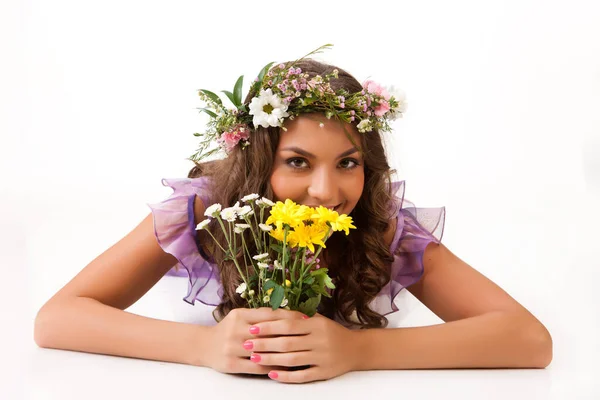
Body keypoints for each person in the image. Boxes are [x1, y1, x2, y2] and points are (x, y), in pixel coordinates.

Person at [34, 45, 552, 384]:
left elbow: (528, 339)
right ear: (260, 163)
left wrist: (358, 351)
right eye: (297, 162)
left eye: (348, 163)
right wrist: (203, 345)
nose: (326, 192)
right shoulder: (204, 209)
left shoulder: (383, 225)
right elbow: (56, 319)